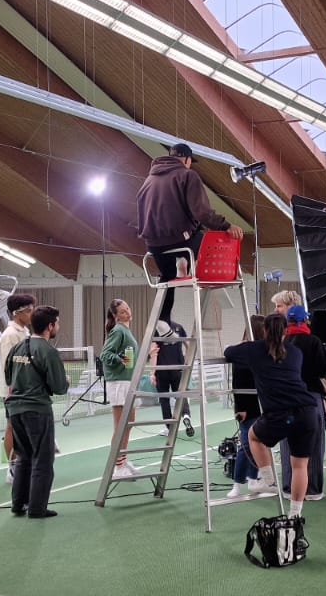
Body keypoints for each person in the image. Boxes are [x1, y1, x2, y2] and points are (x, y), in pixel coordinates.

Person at [223, 314, 325, 518]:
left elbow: (228, 352)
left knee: (253, 436)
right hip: (308, 411)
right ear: (286, 331)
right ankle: (295, 514)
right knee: (300, 466)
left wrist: (249, 345)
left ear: (264, 331)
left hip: (282, 413)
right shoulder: (295, 352)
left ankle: (268, 481)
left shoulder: (254, 349)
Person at [136, 142, 244, 333]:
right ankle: (190, 267)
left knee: (166, 278)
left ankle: (162, 318)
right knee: (207, 242)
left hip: (153, 245)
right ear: (186, 159)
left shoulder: (149, 180)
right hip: (180, 240)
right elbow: (202, 213)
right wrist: (227, 226)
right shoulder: (187, 175)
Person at [5, 305, 69, 519]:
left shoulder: (18, 347)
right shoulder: (48, 351)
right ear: (50, 326)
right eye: (57, 323)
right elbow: (59, 386)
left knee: (23, 456)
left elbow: (8, 377)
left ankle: (18, 504)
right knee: (43, 459)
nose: (58, 326)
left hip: (15, 410)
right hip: (37, 409)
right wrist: (66, 381)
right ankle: (37, 507)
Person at [276, 299, 326, 502]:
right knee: (314, 444)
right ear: (305, 320)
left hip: (285, 401)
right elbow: (323, 370)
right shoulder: (314, 342)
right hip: (311, 399)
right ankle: (313, 490)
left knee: (287, 446)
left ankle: (288, 488)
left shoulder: (281, 342)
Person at [225, 314, 273, 499]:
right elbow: (237, 381)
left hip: (262, 404)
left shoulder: (261, 350)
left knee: (257, 444)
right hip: (248, 405)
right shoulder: (243, 351)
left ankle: (253, 479)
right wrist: (240, 408)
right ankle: (238, 484)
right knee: (246, 446)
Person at [0, 293, 36, 485]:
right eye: (28, 311)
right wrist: (12, 393)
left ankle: (22, 464)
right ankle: (10, 468)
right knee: (11, 428)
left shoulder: (26, 332)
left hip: (26, 390)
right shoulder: (9, 335)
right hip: (12, 392)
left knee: (23, 429)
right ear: (17, 313)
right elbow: (8, 366)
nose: (31, 314)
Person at [100, 299, 139, 478]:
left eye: (128, 308)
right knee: (120, 426)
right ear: (116, 316)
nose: (127, 312)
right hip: (118, 383)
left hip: (128, 381)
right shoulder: (117, 331)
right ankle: (117, 467)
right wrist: (119, 359)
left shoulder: (126, 331)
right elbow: (105, 354)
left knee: (128, 423)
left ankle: (122, 459)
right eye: (123, 311)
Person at [149, 320, 192, 438]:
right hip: (178, 368)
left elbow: (154, 352)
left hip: (162, 370)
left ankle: (169, 427)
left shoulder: (156, 329)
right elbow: (188, 345)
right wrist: (186, 363)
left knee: (164, 400)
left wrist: (152, 373)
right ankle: (186, 415)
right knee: (181, 395)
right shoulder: (178, 327)